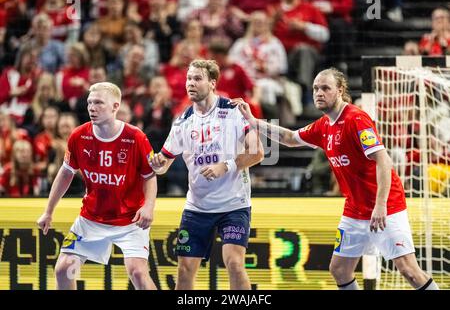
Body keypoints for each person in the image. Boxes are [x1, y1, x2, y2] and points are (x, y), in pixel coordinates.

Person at [231, 67, 440, 290]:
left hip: (386, 205)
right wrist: (253, 121)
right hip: (355, 209)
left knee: (407, 268)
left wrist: (380, 205)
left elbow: (384, 162)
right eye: (315, 89)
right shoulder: (324, 125)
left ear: (340, 91)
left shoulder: (356, 119)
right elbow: (290, 138)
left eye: (325, 88)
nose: (318, 93)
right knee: (339, 269)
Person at [150, 59, 264, 290]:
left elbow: (258, 153)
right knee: (184, 270)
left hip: (234, 204)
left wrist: (227, 165)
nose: (191, 83)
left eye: (197, 78)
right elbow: (164, 166)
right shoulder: (182, 120)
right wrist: (157, 163)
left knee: (234, 263)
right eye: (189, 79)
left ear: (212, 83)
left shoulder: (233, 111)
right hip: (197, 207)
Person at [36, 82, 158, 290]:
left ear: (115, 106)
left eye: (99, 103)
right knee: (64, 268)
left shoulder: (135, 137)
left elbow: (149, 176)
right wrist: (48, 211)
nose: (92, 107)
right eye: (89, 103)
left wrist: (148, 207)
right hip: (90, 219)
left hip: (129, 222)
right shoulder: (78, 135)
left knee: (138, 272)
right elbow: (66, 173)